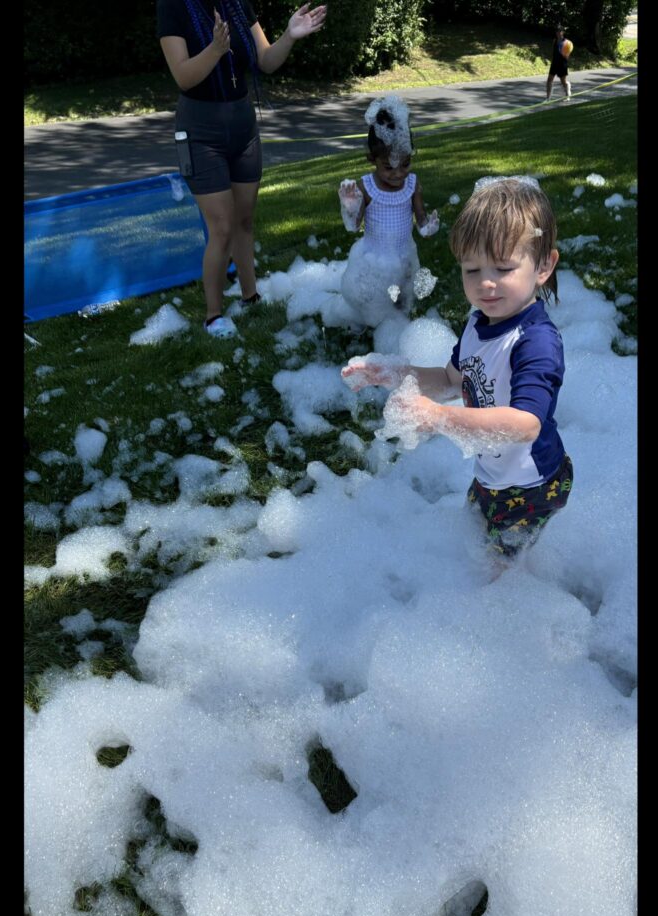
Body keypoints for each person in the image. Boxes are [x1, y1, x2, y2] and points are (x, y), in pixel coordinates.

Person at [342, 176, 573, 559]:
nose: (486, 284)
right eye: (472, 270)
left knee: (499, 565)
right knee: (473, 533)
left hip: (532, 483)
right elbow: (451, 380)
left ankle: (515, 593)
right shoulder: (478, 323)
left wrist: (437, 418)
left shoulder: (535, 341)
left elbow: (525, 424)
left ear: (544, 266)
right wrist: (396, 373)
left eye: (503, 268)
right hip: (492, 472)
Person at [157, 1, 327, 338]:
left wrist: (289, 36)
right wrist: (215, 49)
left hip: (243, 128)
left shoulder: (236, 3)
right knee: (221, 227)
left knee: (244, 220)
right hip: (200, 133)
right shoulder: (172, 6)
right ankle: (213, 315)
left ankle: (250, 297)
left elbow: (265, 60)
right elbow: (184, 76)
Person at [337, 96, 439, 327]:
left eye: (405, 164)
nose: (398, 173)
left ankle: (399, 323)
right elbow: (354, 226)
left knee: (402, 299)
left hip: (404, 256)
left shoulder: (412, 184)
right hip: (374, 260)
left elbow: (420, 220)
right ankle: (372, 322)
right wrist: (351, 207)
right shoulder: (366, 187)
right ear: (373, 159)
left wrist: (428, 228)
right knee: (374, 300)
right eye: (388, 167)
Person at [546, 25, 571, 101]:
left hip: (562, 64)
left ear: (562, 32)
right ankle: (548, 98)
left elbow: (567, 56)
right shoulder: (555, 41)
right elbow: (553, 52)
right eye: (556, 31)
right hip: (554, 63)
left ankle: (567, 94)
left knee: (563, 82)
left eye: (559, 31)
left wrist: (564, 54)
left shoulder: (566, 43)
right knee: (549, 80)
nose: (557, 33)